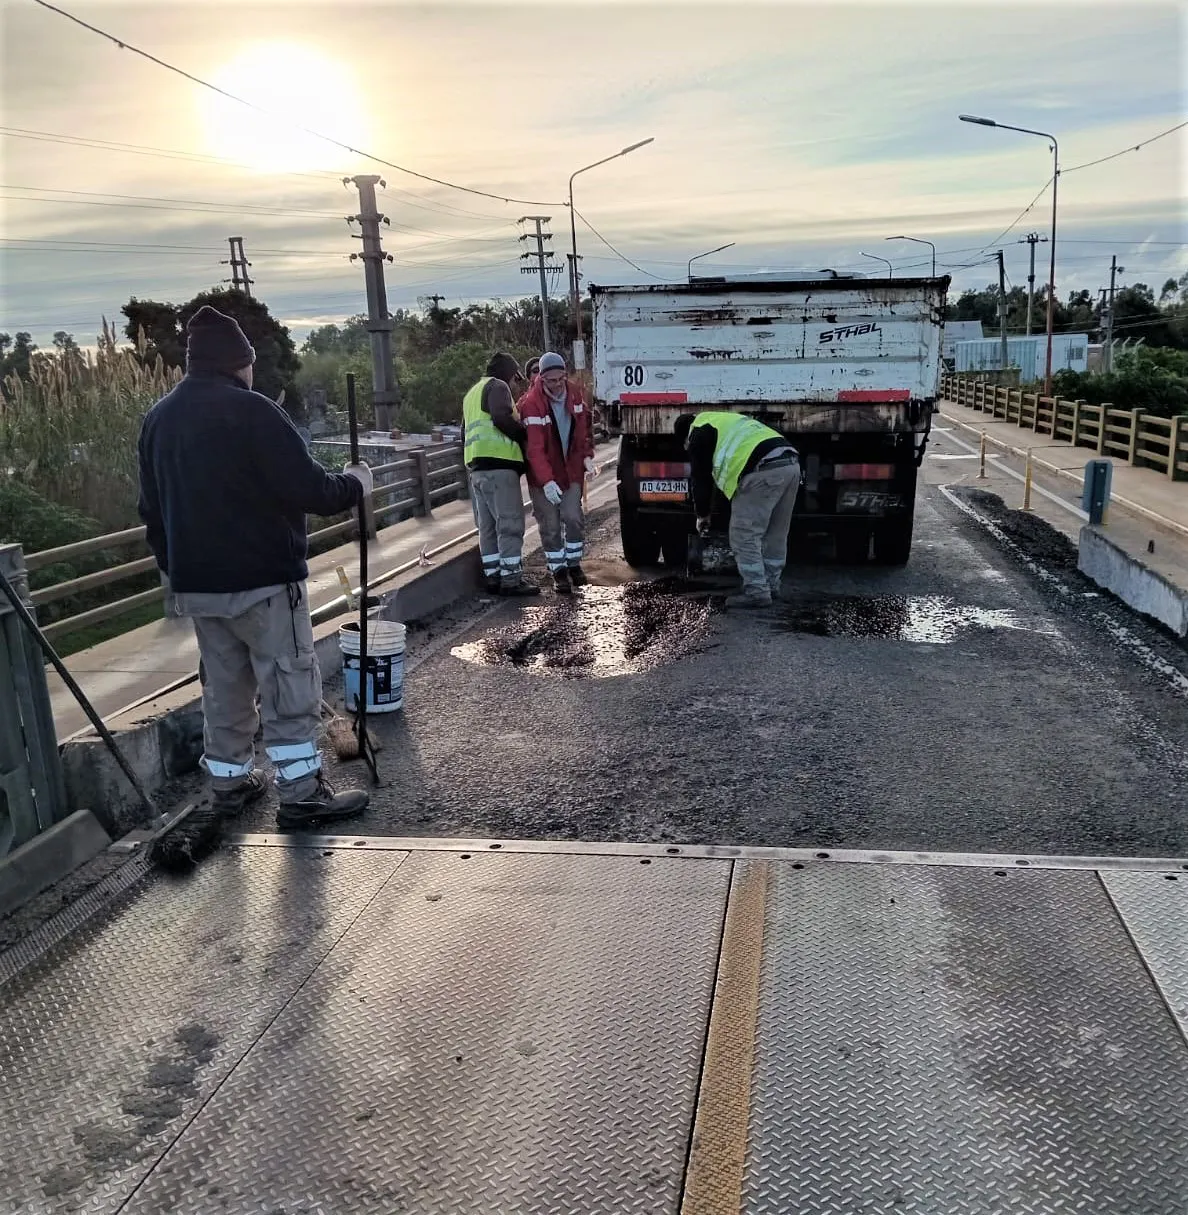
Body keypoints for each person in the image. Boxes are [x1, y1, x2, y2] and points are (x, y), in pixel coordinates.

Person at [137, 306, 372, 827]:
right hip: (263, 583)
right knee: (288, 684)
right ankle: (302, 794)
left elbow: (151, 511)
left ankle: (229, 784)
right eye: (250, 362)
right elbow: (310, 489)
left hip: (198, 588)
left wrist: (177, 569)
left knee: (224, 688)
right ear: (238, 362)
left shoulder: (159, 419)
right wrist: (357, 483)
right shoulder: (254, 411)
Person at [674, 411, 801, 609]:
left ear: (684, 437)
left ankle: (756, 591)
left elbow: (701, 479)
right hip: (790, 464)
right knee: (776, 533)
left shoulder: (697, 434)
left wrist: (702, 515)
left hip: (762, 471)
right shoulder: (720, 421)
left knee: (744, 534)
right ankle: (772, 585)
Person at [518, 351, 596, 593]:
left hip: (571, 469)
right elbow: (535, 449)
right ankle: (559, 572)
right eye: (551, 380)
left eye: (561, 378)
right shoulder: (532, 404)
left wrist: (586, 456)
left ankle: (574, 565)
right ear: (542, 378)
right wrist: (547, 481)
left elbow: (583, 428)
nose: (557, 384)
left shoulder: (574, 393)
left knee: (573, 517)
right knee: (550, 525)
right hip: (543, 476)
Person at [463, 351, 539, 596]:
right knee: (510, 524)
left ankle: (493, 576)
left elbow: (463, 432)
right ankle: (511, 579)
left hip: (477, 470)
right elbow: (499, 417)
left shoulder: (471, 393)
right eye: (515, 378)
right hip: (499, 466)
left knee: (487, 527)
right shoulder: (498, 387)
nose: (515, 384)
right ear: (508, 372)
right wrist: (525, 434)